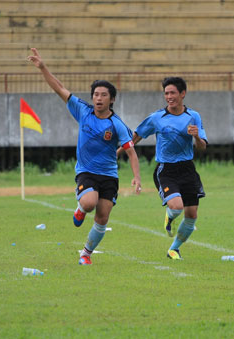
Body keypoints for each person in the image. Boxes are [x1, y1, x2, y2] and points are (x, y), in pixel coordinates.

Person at [28, 48, 142, 265]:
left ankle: (86, 254)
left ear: (112, 99)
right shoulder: (82, 111)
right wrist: (43, 68)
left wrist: (137, 177)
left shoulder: (116, 124)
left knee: (103, 217)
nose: (98, 98)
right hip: (87, 171)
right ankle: (80, 208)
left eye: (103, 95)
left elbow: (131, 152)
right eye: (96, 94)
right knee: (89, 203)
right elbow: (59, 88)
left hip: (109, 175)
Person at [118, 77, 207, 260]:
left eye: (172, 93)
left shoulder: (193, 116)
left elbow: (202, 147)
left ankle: (174, 249)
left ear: (183, 94)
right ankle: (170, 216)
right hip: (166, 170)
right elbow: (136, 136)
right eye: (166, 93)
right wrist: (118, 151)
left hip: (188, 169)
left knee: (191, 215)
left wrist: (197, 137)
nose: (169, 97)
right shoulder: (157, 117)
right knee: (176, 207)